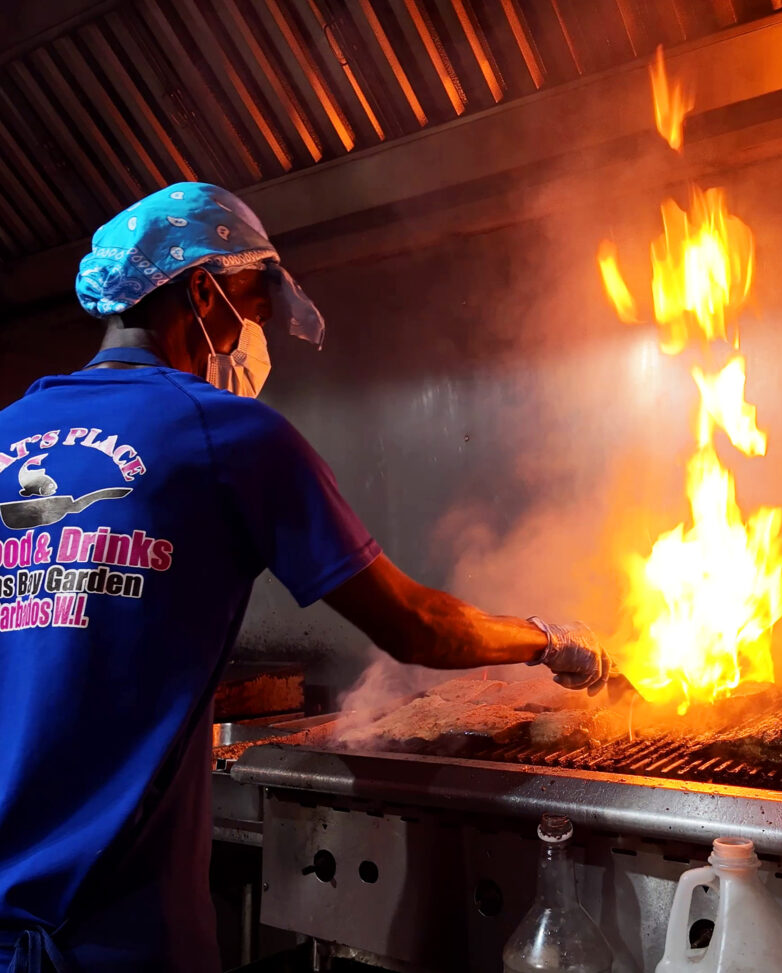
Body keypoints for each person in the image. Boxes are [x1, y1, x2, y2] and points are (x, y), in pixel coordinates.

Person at [0, 182, 609, 972]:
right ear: (204, 289)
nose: (258, 335)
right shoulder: (229, 434)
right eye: (256, 306)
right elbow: (414, 624)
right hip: (118, 937)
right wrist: (553, 640)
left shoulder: (7, 430)